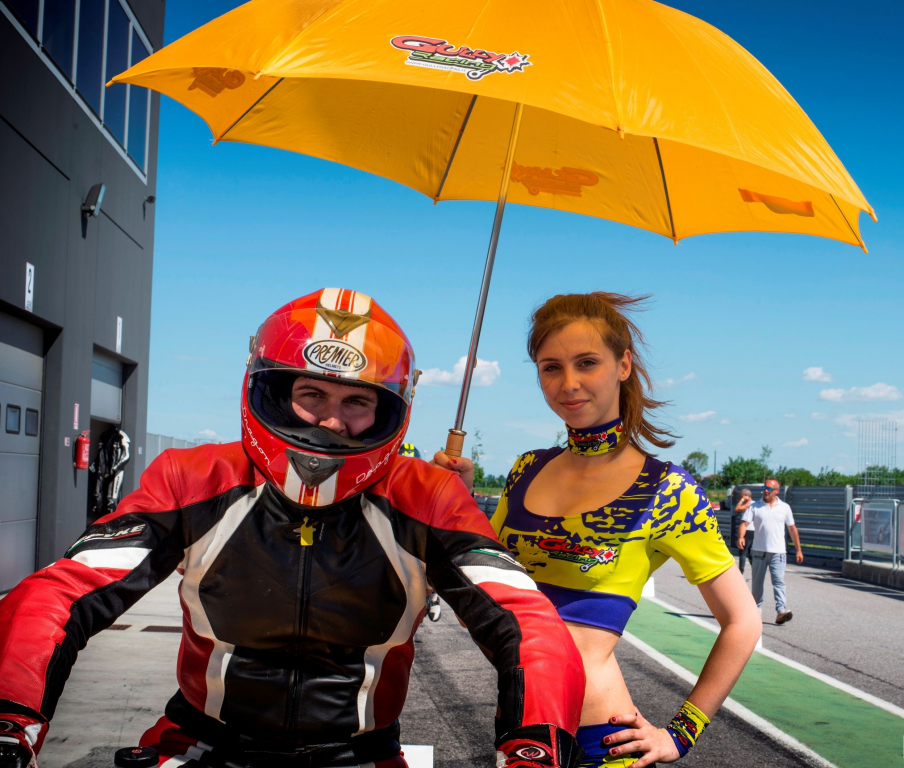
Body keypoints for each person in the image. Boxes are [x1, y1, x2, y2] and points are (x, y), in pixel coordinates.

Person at [0, 289, 586, 768]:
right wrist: (10, 717)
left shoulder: (427, 494)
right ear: (272, 392)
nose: (331, 421)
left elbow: (526, 620)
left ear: (389, 411)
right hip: (202, 744)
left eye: (357, 402)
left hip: (360, 756)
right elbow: (63, 591)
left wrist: (535, 746)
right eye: (311, 394)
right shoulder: (192, 476)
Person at [438, 292, 760, 767]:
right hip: (517, 735)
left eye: (586, 363)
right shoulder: (525, 470)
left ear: (623, 364)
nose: (568, 383)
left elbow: (743, 621)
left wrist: (680, 734)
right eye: (551, 367)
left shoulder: (667, 490)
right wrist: (456, 503)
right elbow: (479, 598)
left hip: (601, 746)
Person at [737, 478, 803, 625]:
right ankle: (756, 610)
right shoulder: (755, 506)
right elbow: (744, 523)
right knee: (757, 582)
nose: (765, 491)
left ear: (777, 491)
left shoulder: (784, 507)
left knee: (778, 581)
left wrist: (798, 550)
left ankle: (781, 611)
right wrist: (741, 537)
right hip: (758, 551)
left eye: (769, 489)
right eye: (764, 488)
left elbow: (792, 529)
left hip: (778, 552)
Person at [733, 489, 754, 575]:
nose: (740, 498)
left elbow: (737, 509)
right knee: (750, 552)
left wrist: (742, 500)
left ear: (746, 496)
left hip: (747, 530)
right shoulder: (755, 504)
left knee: (743, 551)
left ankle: (741, 572)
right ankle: (754, 570)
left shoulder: (750, 503)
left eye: (741, 496)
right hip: (753, 531)